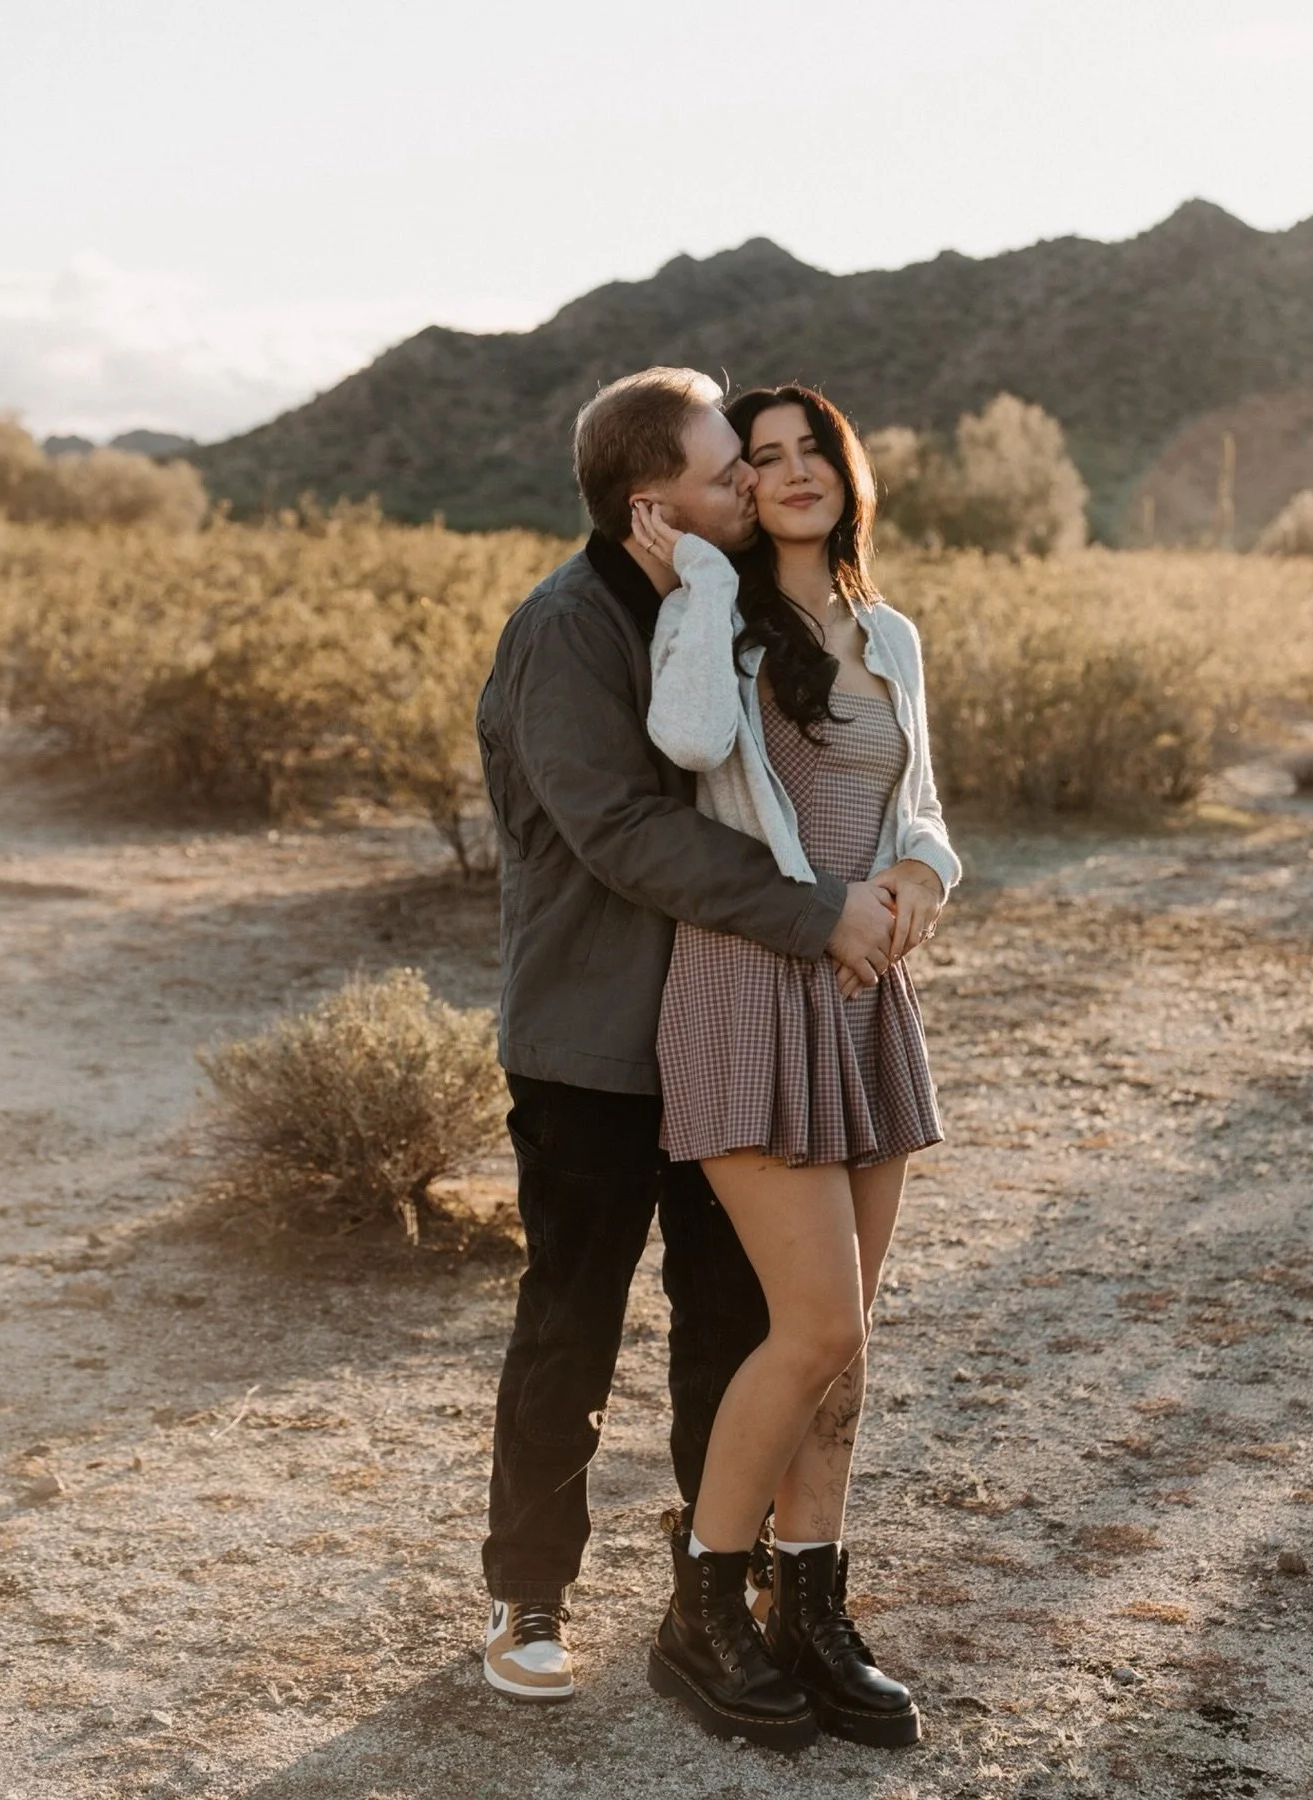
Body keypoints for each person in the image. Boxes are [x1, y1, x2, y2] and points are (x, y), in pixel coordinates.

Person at [474, 367, 899, 1704]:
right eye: (728, 474)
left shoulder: (728, 611)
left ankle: (709, 1590)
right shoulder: (565, 630)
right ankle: (529, 1595)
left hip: (726, 1029)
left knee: (731, 1319)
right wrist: (817, 913)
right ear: (654, 502)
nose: (753, 487)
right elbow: (627, 835)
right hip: (594, 1039)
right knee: (573, 1319)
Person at [634, 385, 959, 1750]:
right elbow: (693, 744)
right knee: (815, 1323)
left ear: (844, 467)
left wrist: (908, 886)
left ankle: (812, 1608)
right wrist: (701, 577)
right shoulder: (711, 623)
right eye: (757, 463)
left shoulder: (887, 634)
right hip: (749, 992)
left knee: (850, 1346)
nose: (789, 472)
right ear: (738, 494)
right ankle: (706, 1606)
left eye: (808, 448)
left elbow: (930, 819)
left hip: (865, 996)